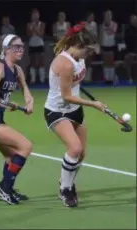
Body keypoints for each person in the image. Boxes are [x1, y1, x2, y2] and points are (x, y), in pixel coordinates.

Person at [44, 24, 106, 207]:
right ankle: (65, 190)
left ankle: (67, 183)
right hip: (57, 110)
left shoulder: (78, 57)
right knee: (75, 148)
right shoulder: (64, 64)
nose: (88, 55)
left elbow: (74, 85)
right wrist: (94, 104)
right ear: (79, 46)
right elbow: (66, 96)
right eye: (87, 51)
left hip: (75, 110)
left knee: (81, 154)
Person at [0, 34, 34, 205]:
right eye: (16, 47)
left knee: (11, 156)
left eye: (22, 47)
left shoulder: (17, 70)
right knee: (25, 146)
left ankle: (6, 188)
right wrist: (7, 105)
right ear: (6, 49)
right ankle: (4, 188)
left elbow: (25, 89)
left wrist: (29, 102)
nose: (21, 50)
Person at [27, 8, 45, 84]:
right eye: (33, 14)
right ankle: (33, 79)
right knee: (32, 62)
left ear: (39, 15)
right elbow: (28, 35)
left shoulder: (42, 24)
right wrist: (31, 29)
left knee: (41, 62)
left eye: (36, 14)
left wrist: (34, 28)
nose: (35, 16)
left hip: (40, 44)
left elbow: (41, 34)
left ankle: (42, 79)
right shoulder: (28, 24)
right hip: (32, 44)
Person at [99, 10, 118, 84]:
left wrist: (107, 28)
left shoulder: (114, 24)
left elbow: (113, 31)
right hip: (104, 45)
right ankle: (107, 79)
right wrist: (100, 46)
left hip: (112, 46)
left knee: (111, 63)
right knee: (106, 62)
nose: (108, 16)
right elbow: (100, 36)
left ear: (111, 16)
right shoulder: (101, 25)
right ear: (104, 16)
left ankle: (112, 78)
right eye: (107, 15)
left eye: (109, 15)